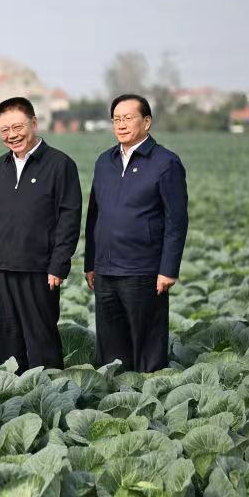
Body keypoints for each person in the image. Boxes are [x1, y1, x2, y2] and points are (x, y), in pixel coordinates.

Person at [84, 94, 188, 372]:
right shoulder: (104, 161)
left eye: (128, 118)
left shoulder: (165, 162)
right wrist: (90, 263)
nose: (121, 125)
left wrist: (168, 269)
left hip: (143, 270)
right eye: (116, 119)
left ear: (147, 121)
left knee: (147, 344)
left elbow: (176, 220)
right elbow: (94, 214)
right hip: (106, 270)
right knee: (110, 345)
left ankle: (152, 394)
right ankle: (114, 397)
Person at [0, 97, 81, 372]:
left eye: (17, 127)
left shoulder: (61, 165)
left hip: (40, 270)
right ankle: (8, 400)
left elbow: (69, 219)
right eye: (4, 130)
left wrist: (58, 264)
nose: (12, 135)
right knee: (5, 342)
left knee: (41, 342)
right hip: (1, 269)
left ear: (34, 123)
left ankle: (50, 394)